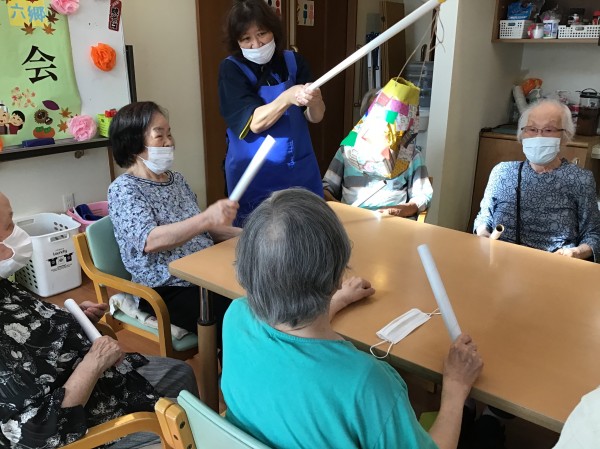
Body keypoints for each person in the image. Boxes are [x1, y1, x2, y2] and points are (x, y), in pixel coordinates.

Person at [222, 188, 483, 449]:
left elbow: (294, 333)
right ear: (338, 276)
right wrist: (455, 388)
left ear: (248, 269)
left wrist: (335, 301)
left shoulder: (236, 316)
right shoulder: (368, 384)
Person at [0, 191, 198, 449]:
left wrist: (72, 320)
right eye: (8, 226)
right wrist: (93, 364)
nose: (18, 233)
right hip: (81, 418)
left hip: (96, 375)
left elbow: (29, 328)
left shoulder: (4, 286)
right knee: (190, 426)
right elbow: (36, 433)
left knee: (181, 373)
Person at [108, 101, 240, 337]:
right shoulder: (123, 189)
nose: (169, 142)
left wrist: (248, 234)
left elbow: (201, 229)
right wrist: (207, 218)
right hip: (168, 287)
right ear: (133, 143)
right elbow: (150, 240)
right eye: (159, 135)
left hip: (205, 271)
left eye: (169, 134)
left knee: (261, 296)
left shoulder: (176, 180)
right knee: (239, 320)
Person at [218, 0, 325, 226]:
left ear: (273, 31)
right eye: (246, 39)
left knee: (306, 231)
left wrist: (316, 101)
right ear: (237, 42)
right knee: (258, 235)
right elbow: (255, 123)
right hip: (254, 174)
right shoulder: (232, 70)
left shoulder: (293, 62)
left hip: (298, 168)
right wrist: (287, 97)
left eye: (262, 34)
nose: (256, 44)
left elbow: (316, 117)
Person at [474, 99, 600, 261]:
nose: (539, 136)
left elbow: (593, 234)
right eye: (532, 129)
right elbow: (484, 216)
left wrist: (576, 252)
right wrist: (483, 233)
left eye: (549, 130)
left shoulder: (580, 179)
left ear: (565, 136)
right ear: (522, 134)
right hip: (500, 262)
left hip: (554, 266)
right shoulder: (502, 172)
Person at [322, 89, 433, 219]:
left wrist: (396, 211)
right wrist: (342, 211)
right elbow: (325, 188)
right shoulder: (347, 151)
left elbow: (422, 196)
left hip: (392, 222)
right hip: (351, 221)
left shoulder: (409, 154)